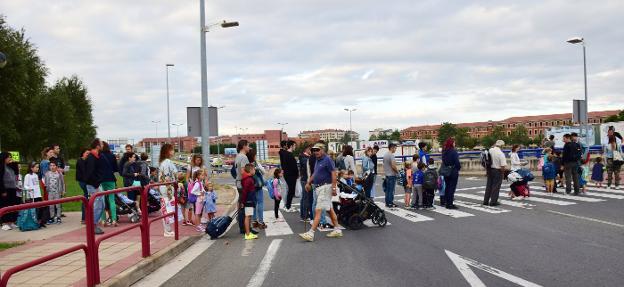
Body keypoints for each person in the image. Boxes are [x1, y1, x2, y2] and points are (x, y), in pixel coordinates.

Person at [299, 142, 343, 242]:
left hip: (325, 187)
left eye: (317, 150)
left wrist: (334, 187)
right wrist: (309, 182)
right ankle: (337, 229)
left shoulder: (327, 159)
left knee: (318, 210)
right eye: (314, 150)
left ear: (323, 150)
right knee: (329, 209)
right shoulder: (317, 160)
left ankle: (311, 233)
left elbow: (333, 173)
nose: (315, 152)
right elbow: (315, 173)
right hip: (319, 188)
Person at [85, 138, 106, 235]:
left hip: (97, 184)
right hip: (93, 185)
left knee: (101, 205)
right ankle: (93, 225)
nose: (102, 145)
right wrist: (96, 183)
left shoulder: (97, 156)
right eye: (101, 144)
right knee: (98, 205)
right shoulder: (91, 157)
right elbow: (89, 173)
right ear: (97, 146)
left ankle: (94, 224)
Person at [235, 140, 255, 234]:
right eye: (248, 146)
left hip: (239, 182)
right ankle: (245, 228)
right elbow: (244, 171)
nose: (249, 148)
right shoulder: (243, 157)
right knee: (245, 206)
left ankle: (243, 227)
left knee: (241, 204)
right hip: (243, 184)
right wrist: (250, 177)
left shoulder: (238, 156)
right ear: (243, 146)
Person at [158, 143, 178, 237]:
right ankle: (167, 230)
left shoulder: (165, 162)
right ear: (167, 151)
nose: (173, 151)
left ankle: (168, 230)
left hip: (167, 188)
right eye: (172, 149)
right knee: (166, 210)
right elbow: (167, 178)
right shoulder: (167, 162)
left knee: (168, 209)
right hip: (167, 189)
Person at [100, 142, 119, 226]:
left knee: (102, 200)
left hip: (101, 179)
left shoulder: (99, 155)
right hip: (111, 179)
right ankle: (114, 219)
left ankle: (103, 220)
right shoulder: (112, 155)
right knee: (112, 200)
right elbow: (116, 168)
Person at [483, 140, 507, 206]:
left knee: (489, 186)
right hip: (497, 171)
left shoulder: (490, 150)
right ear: (502, 146)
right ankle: (493, 201)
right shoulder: (501, 153)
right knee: (496, 187)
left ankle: (485, 201)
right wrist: (503, 173)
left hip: (490, 170)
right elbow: (503, 166)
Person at [247, 149, 267, 229]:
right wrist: (257, 168)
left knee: (254, 204)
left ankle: (254, 221)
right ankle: (261, 222)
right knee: (260, 203)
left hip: (250, 186)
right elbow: (264, 171)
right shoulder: (256, 163)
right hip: (258, 186)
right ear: (253, 156)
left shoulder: (247, 164)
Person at [0, 152, 19, 230]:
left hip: (12, 189)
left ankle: (11, 222)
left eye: (10, 157)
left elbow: (16, 172)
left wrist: (14, 163)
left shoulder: (10, 166)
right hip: (5, 189)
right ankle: (4, 222)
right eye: (8, 157)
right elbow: (0, 179)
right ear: (4, 158)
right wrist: (2, 190)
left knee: (12, 205)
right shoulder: (1, 166)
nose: (10, 158)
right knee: (5, 205)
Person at [441, 138, 461, 209]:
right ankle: (450, 204)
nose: (454, 144)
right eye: (454, 143)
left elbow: (444, 161)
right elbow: (457, 162)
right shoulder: (453, 152)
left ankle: (446, 202)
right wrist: (458, 168)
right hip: (453, 171)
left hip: (446, 171)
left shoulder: (444, 151)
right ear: (452, 143)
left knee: (447, 187)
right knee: (452, 188)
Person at [280, 140, 299, 212]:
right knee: (291, 191)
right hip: (291, 175)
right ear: (291, 146)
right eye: (294, 146)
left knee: (290, 191)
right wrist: (297, 174)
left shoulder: (285, 154)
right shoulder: (289, 154)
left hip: (287, 175)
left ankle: (288, 205)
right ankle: (288, 206)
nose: (295, 147)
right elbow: (294, 167)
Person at [240, 163, 258, 240]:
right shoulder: (248, 179)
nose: (255, 171)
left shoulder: (248, 178)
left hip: (248, 200)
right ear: (250, 170)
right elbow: (245, 192)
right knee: (247, 216)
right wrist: (243, 202)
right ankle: (247, 234)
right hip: (248, 200)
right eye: (254, 169)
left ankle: (248, 232)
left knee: (249, 215)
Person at [299, 145, 313, 222]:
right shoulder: (304, 158)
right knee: (306, 198)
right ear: (307, 149)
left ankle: (304, 214)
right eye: (311, 150)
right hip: (305, 180)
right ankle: (304, 216)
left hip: (305, 179)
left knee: (305, 198)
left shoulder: (305, 157)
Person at [382, 143, 399, 208]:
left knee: (387, 190)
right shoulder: (391, 155)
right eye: (395, 148)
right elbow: (393, 166)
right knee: (391, 190)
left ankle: (387, 203)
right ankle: (390, 203)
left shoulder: (385, 155)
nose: (395, 149)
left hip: (387, 174)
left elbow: (384, 164)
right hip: (392, 175)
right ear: (392, 148)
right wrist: (397, 172)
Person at [76, 149, 90, 224]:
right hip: (83, 182)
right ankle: (84, 218)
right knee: (86, 197)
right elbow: (84, 172)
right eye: (87, 153)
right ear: (83, 153)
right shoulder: (80, 161)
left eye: (89, 153)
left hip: (86, 181)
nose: (88, 154)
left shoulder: (87, 161)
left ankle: (85, 217)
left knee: (87, 197)